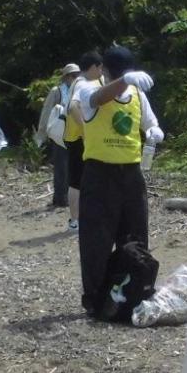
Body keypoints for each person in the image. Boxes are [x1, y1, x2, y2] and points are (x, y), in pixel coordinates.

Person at [76, 45, 160, 317]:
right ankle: (96, 298)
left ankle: (135, 289)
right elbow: (96, 100)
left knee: (135, 234)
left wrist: (154, 130)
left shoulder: (137, 94)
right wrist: (124, 81)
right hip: (100, 174)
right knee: (96, 240)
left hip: (131, 174)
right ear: (106, 71)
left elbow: (149, 122)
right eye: (119, 74)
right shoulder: (89, 88)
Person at [62, 52, 103, 232]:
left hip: (75, 138)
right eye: (100, 67)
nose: (102, 71)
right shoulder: (83, 83)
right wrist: (87, 130)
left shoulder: (81, 83)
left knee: (82, 180)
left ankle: (81, 218)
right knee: (77, 181)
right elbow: (72, 107)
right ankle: (75, 221)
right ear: (93, 67)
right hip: (79, 139)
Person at [41, 64, 81, 212]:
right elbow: (46, 112)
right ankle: (60, 198)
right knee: (61, 167)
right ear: (66, 77)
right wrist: (43, 133)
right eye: (73, 75)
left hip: (77, 135)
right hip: (60, 135)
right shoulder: (57, 92)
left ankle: (71, 197)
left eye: (77, 75)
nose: (76, 78)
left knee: (74, 167)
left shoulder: (81, 90)